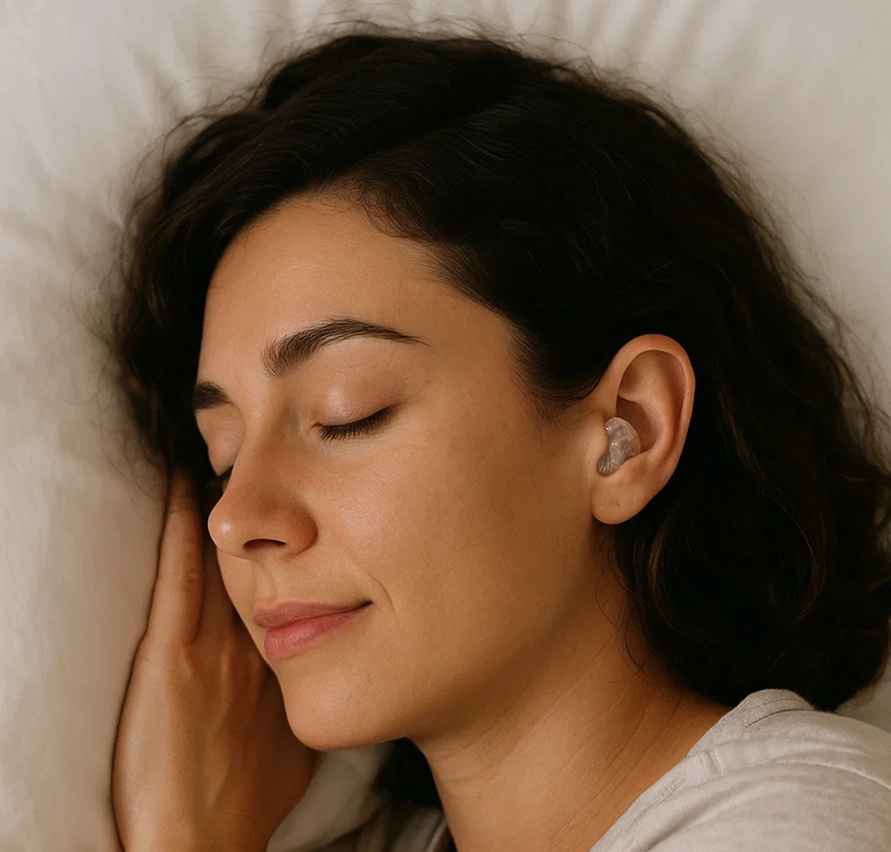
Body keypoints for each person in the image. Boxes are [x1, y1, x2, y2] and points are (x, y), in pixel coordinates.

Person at [106, 21, 891, 852]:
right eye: (221, 455)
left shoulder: (802, 825)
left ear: (629, 425)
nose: (233, 520)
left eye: (347, 413)